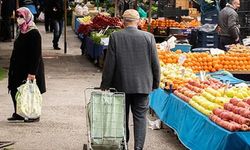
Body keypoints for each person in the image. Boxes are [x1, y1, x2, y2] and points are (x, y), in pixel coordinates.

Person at [100, 9, 160, 150]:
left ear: (123, 22)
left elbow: (110, 63)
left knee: (122, 118)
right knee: (140, 119)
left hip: (121, 85)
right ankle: (138, 148)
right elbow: (155, 63)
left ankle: (123, 145)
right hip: (142, 86)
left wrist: (105, 83)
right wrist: (155, 83)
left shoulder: (116, 36)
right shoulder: (149, 37)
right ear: (138, 21)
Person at [7, 7, 46, 122]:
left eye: (21, 17)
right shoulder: (21, 30)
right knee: (16, 89)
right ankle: (19, 112)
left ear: (27, 17)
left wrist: (32, 73)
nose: (18, 19)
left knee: (29, 91)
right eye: (18, 16)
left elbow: (36, 55)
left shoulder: (33, 32)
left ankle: (33, 114)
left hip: (29, 68)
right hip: (18, 67)